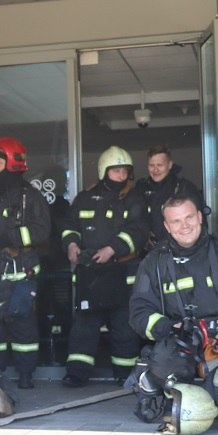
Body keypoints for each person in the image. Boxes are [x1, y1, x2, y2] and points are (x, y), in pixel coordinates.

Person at [128, 195, 218, 431]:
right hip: (178, 348)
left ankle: (209, 392)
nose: (184, 226)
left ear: (199, 217)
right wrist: (168, 328)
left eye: (188, 218)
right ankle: (153, 380)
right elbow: (139, 312)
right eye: (176, 221)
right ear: (166, 226)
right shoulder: (153, 263)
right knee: (167, 391)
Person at [60, 145, 149, 387]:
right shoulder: (85, 197)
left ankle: (125, 376)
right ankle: (77, 373)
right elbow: (69, 225)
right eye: (116, 170)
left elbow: (139, 231)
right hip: (91, 272)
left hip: (123, 272)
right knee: (84, 327)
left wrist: (113, 249)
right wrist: (71, 244)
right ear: (104, 171)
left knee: (124, 328)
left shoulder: (134, 199)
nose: (121, 175)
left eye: (124, 170)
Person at [0, 137, 51, 389]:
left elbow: (42, 231)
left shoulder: (31, 197)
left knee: (23, 326)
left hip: (21, 271)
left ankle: (25, 373)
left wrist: (10, 238)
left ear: (12, 164)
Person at [136, 145, 203, 248]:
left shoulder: (184, 187)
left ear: (170, 165)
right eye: (151, 165)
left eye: (159, 165)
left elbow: (199, 224)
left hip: (179, 249)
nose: (155, 170)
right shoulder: (141, 188)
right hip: (151, 251)